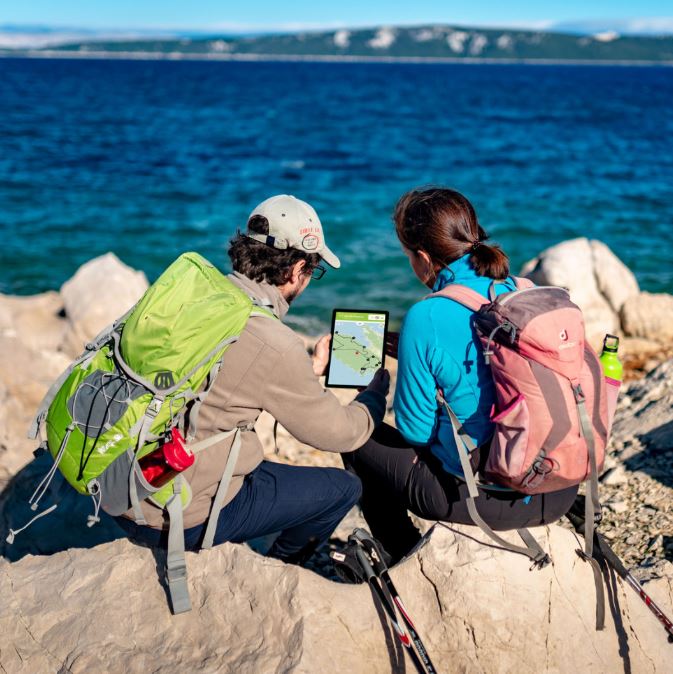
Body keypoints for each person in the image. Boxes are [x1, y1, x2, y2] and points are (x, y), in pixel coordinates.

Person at [115, 194, 390, 563]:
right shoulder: (272, 342)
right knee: (342, 489)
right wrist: (375, 394)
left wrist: (308, 370)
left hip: (125, 486)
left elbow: (229, 376)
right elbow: (340, 434)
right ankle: (285, 567)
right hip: (178, 514)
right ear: (295, 268)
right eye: (313, 270)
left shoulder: (202, 299)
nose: (309, 280)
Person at [342, 187, 578, 563]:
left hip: (489, 501)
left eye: (408, 257)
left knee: (355, 438)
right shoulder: (523, 291)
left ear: (422, 257)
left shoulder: (427, 315)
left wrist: (380, 387)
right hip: (560, 486)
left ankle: (402, 554)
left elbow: (415, 432)